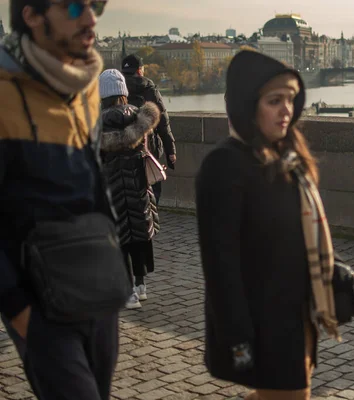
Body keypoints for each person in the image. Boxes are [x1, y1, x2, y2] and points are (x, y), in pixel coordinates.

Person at [195, 51, 341, 400]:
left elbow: (293, 233)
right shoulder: (224, 165)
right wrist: (238, 340)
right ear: (248, 106)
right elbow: (220, 265)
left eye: (290, 100)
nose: (286, 110)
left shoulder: (285, 157)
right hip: (262, 323)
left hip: (297, 313)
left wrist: (334, 274)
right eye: (275, 101)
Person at [0, 1, 124, 399]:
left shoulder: (84, 85)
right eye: (73, 7)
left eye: (95, 5)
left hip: (98, 290)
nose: (91, 18)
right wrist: (20, 312)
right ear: (32, 15)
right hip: (41, 304)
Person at [98, 69, 160, 309]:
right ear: (124, 92)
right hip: (139, 188)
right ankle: (141, 285)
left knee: (120, 238)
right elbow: (154, 150)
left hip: (112, 190)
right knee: (139, 234)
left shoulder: (98, 123)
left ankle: (128, 293)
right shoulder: (140, 118)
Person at [121, 53, 176, 205]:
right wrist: (170, 150)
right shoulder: (148, 87)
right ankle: (149, 224)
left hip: (121, 149)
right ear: (139, 70)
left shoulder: (116, 88)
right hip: (147, 150)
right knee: (151, 192)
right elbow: (162, 121)